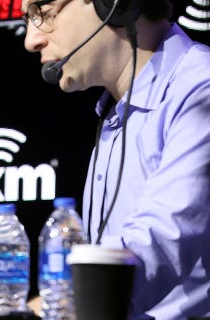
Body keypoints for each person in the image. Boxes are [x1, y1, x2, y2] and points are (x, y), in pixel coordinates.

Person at [20, 0, 210, 319]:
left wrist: (57, 306)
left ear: (114, 4)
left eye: (45, 12)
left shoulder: (200, 89)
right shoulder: (114, 114)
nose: (31, 40)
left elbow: (164, 234)